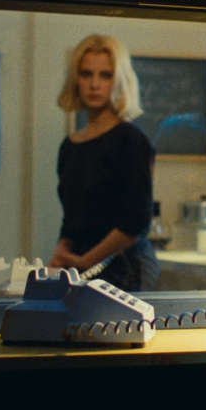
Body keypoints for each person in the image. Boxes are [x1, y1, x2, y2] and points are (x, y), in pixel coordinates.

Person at [48, 34, 159, 291]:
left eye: (105, 75)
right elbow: (73, 220)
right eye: (86, 74)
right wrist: (62, 251)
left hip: (126, 266)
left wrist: (85, 262)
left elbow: (137, 221)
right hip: (83, 265)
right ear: (75, 79)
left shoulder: (130, 139)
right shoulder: (70, 146)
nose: (94, 84)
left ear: (119, 80)